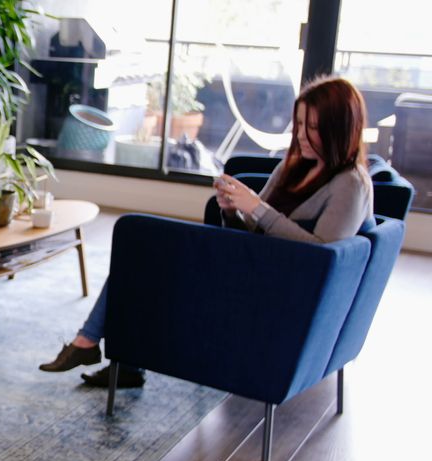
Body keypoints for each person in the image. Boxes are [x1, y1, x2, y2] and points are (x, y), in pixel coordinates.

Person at [39, 76, 374, 388]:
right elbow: (257, 235)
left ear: (339, 128)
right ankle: (102, 350)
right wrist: (233, 212)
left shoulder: (349, 184)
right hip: (254, 268)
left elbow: (324, 255)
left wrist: (256, 206)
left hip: (272, 291)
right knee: (142, 256)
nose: (301, 135)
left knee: (145, 248)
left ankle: (99, 349)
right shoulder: (294, 166)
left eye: (312, 126)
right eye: (299, 123)